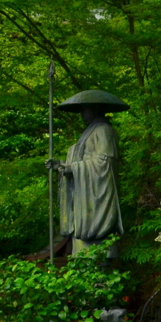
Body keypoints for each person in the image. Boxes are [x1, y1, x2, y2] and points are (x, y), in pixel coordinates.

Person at [44, 90, 128, 256]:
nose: (82, 113)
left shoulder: (104, 130)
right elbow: (82, 160)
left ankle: (102, 272)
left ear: (96, 108)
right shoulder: (89, 132)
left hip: (97, 197)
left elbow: (104, 164)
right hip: (84, 197)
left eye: (86, 109)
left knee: (100, 248)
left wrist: (73, 168)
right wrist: (61, 165)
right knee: (82, 251)